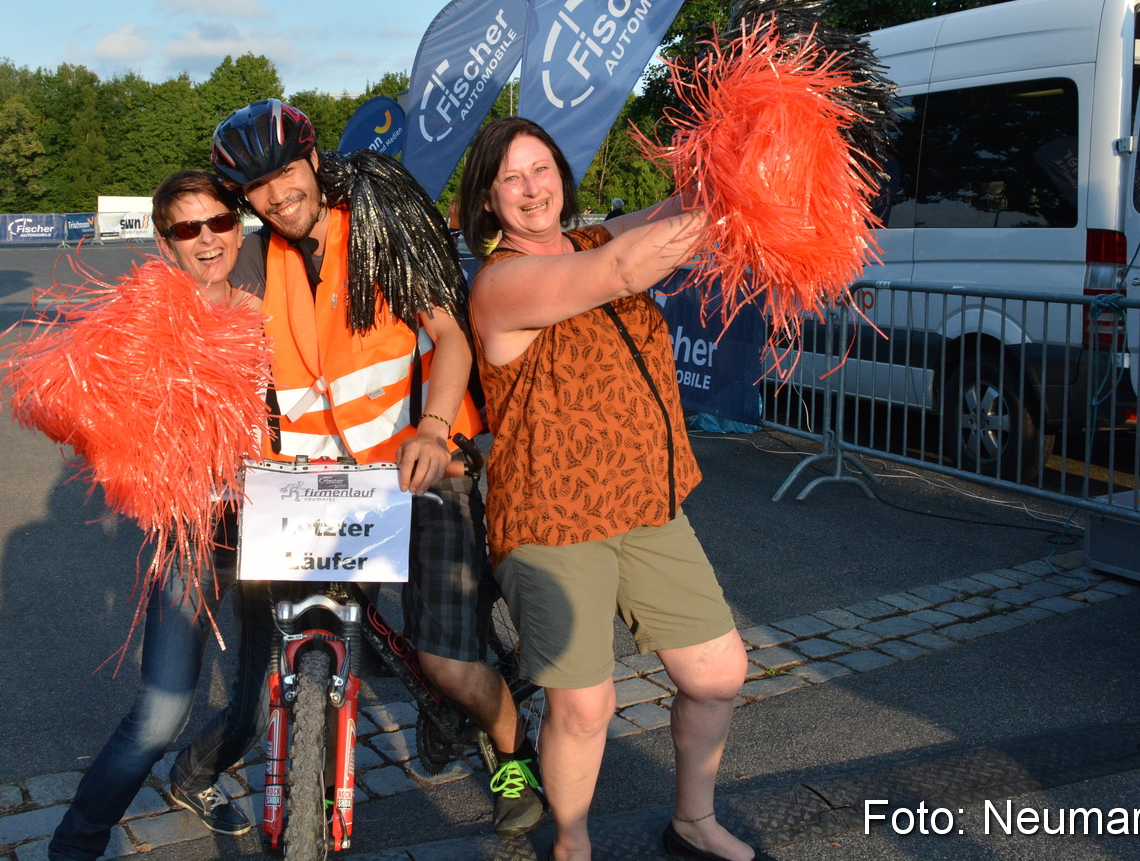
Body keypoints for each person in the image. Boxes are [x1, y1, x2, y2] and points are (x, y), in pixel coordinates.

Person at [173, 98, 546, 838]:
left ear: (313, 159)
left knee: (447, 660)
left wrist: (436, 429)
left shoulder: (378, 221)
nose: (277, 194)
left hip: (422, 463)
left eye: (284, 171)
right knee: (304, 621)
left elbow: (450, 334)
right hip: (316, 482)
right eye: (256, 186)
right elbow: (204, 334)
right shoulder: (256, 259)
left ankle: (511, 750)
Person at [459, 118, 767, 861]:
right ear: (489, 200)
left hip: (644, 501)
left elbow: (677, 207)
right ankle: (571, 843)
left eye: (540, 169)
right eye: (512, 178)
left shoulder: (594, 237)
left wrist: (747, 148)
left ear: (561, 173)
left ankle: (691, 821)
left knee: (719, 671)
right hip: (552, 515)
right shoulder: (500, 282)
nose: (532, 188)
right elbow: (628, 270)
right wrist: (730, 208)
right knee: (585, 703)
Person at [43, 170, 260, 861]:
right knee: (162, 710)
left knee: (257, 705)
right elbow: (77, 405)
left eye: (218, 222)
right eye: (188, 229)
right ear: (166, 242)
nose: (206, 240)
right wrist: (140, 467)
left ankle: (195, 776)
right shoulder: (145, 316)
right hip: (187, 535)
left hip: (271, 530)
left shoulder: (265, 312)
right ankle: (74, 845)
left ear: (238, 226)